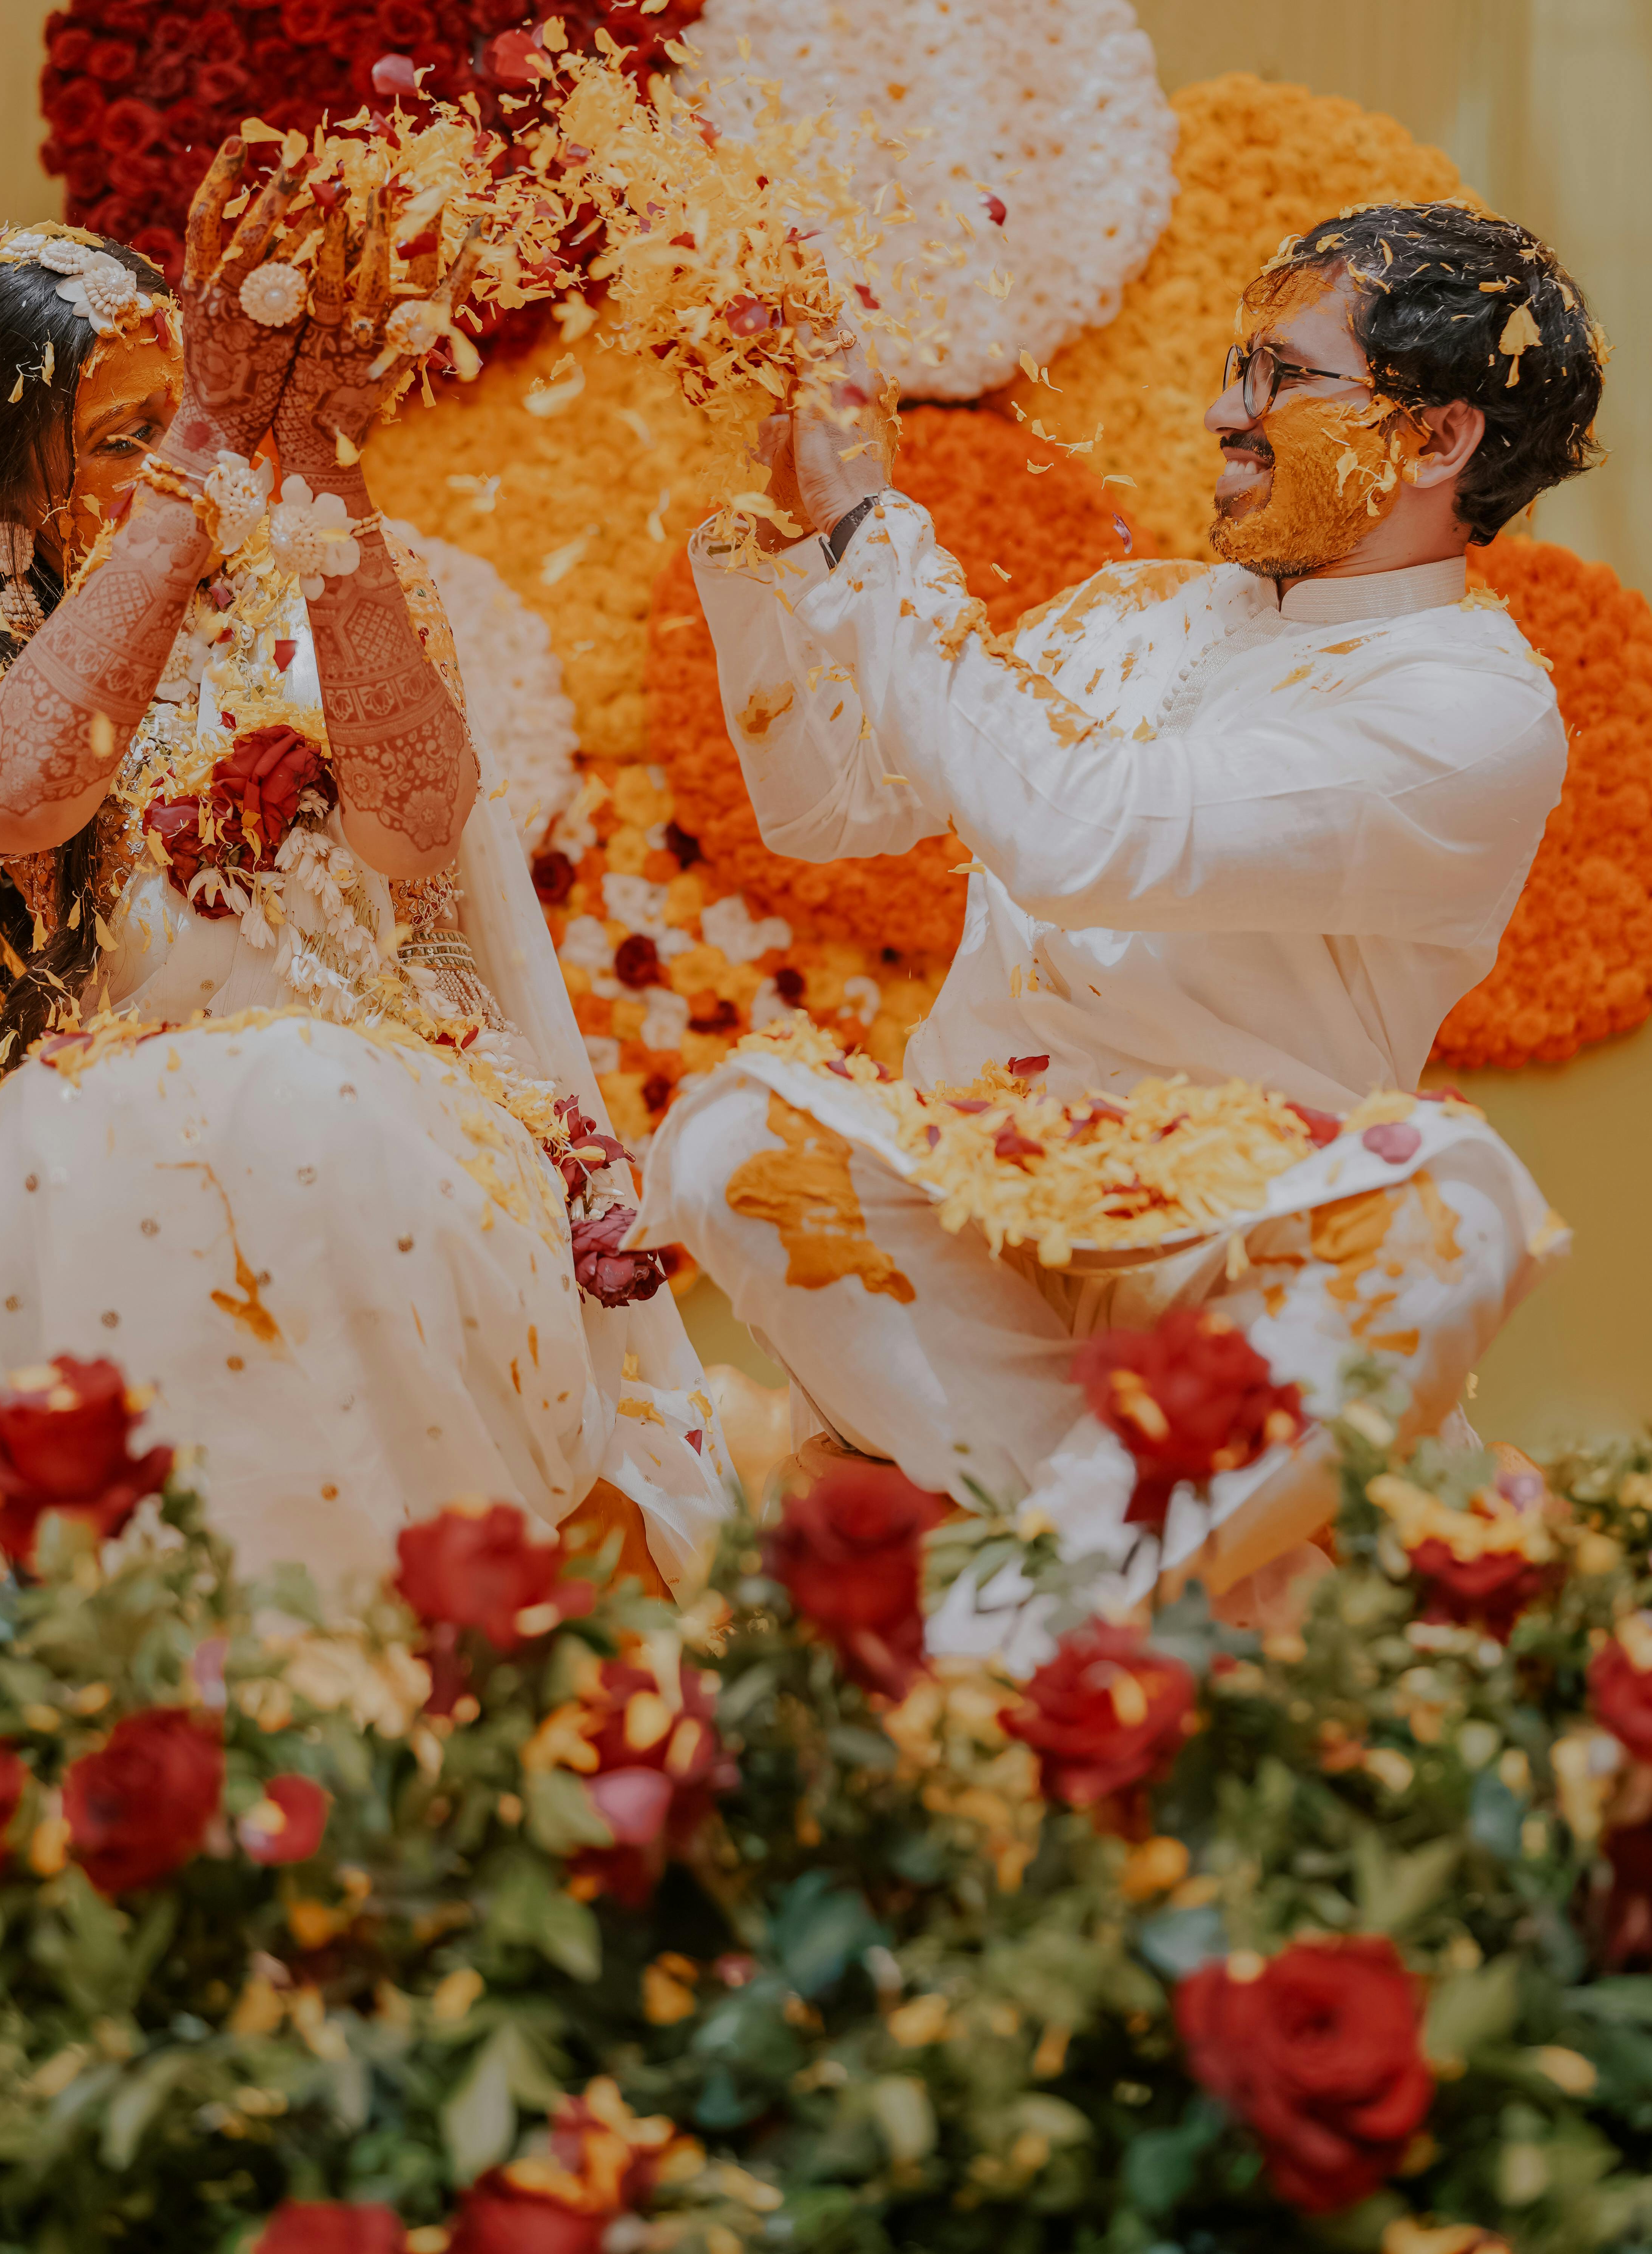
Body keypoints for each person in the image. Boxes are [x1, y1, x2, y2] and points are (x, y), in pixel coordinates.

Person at [638, 202, 1605, 1642]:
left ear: (1435, 439)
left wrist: (870, 524)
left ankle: (1022, 1613)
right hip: (977, 1250)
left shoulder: (1470, 707)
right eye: (1240, 366)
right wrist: (793, 521)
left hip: (1241, 1276)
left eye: (1284, 377)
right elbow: (832, 803)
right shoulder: (1135, 614)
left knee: (1456, 1205)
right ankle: (1095, 1573)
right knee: (726, 1137)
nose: (1227, 409)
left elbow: (1083, 829)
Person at [0, 133, 730, 1592]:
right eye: (126, 436)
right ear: (10, 495)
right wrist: (199, 465)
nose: (173, 456)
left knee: (303, 1101)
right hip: (90, 1141)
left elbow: (411, 826)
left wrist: (322, 460)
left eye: (180, 414)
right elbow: (21, 800)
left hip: (377, 1112)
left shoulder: (321, 577)